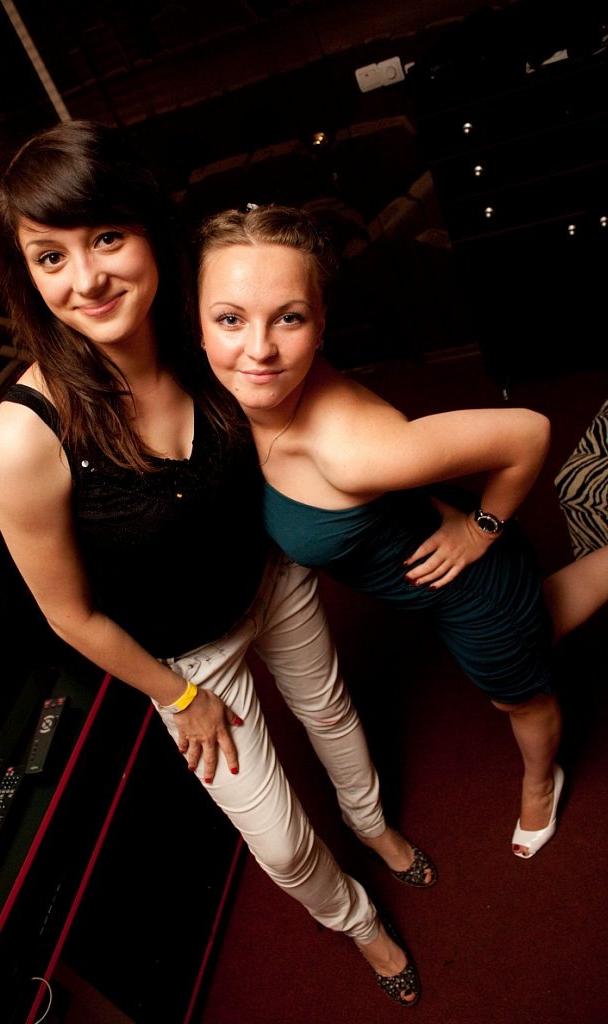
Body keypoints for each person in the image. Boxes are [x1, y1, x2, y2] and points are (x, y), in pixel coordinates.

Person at [0, 121, 433, 1008]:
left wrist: (432, 489)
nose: (86, 279)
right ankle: (358, 923)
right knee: (280, 843)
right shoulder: (22, 438)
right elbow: (68, 614)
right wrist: (178, 696)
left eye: (107, 237)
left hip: (270, 579)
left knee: (332, 715)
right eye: (50, 256)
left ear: (151, 232)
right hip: (185, 661)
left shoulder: (206, 331)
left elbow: (326, 407)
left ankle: (374, 824)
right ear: (26, 273)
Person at [196, 203, 608, 861]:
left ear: (321, 322)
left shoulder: (359, 451)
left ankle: (541, 782)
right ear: (198, 323)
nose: (259, 349)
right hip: (425, 554)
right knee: (545, 614)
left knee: (520, 695)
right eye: (230, 319)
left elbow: (529, 431)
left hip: (472, 589)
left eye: (289, 318)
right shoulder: (243, 389)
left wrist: (481, 532)